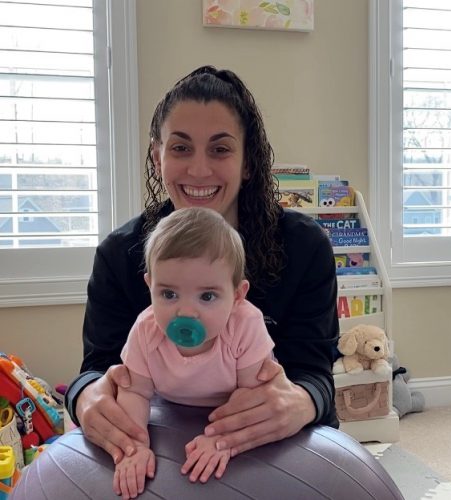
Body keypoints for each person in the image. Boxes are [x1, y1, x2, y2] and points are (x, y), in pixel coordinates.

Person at [65, 65, 339, 470]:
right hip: (161, 449)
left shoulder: (304, 246)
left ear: (248, 162)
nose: (198, 169)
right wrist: (87, 399)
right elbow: (97, 368)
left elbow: (316, 374)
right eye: (180, 148)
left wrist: (300, 403)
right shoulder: (119, 254)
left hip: (274, 451)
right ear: (158, 156)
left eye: (220, 149)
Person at [114, 207, 275, 497]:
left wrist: (221, 439)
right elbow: (135, 392)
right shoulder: (146, 329)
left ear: (237, 295)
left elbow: (252, 397)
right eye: (169, 294)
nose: (186, 312)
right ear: (150, 286)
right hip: (172, 411)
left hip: (232, 407)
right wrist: (135, 445)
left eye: (207, 296)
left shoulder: (245, 325)